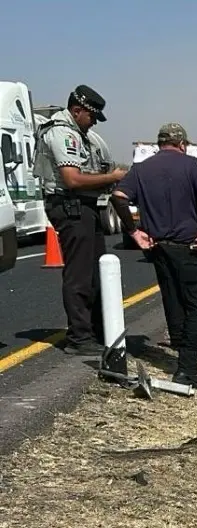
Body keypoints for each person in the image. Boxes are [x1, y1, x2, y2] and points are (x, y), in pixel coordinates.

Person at [110, 123, 197, 390]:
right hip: (189, 245)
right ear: (182, 144)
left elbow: (118, 196)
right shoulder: (191, 165)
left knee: (173, 301)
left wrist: (134, 232)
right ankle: (188, 369)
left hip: (159, 247)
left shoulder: (142, 169)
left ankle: (182, 359)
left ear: (159, 144)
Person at [31, 85, 127, 356]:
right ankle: (79, 337)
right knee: (80, 275)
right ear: (77, 110)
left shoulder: (85, 135)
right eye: (92, 116)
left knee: (96, 271)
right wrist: (111, 178)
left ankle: (95, 330)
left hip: (84, 206)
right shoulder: (62, 133)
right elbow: (72, 179)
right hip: (70, 206)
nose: (94, 121)